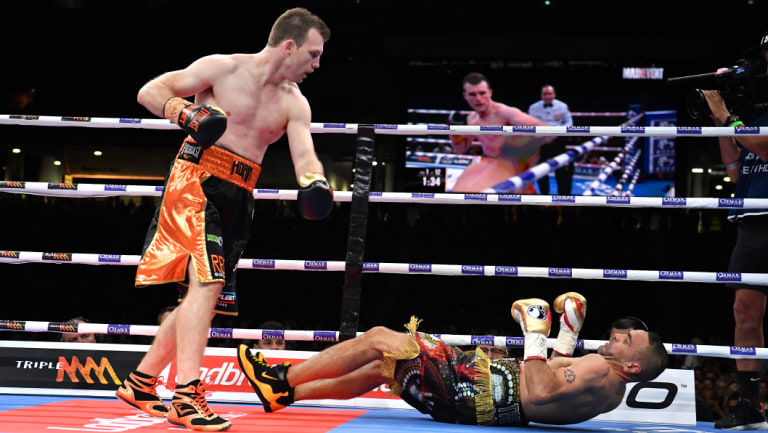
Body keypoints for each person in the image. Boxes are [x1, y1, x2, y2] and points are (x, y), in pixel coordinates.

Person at [114, 8, 333, 432]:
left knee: (204, 297)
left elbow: (304, 154)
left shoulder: (294, 102)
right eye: (313, 53)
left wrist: (315, 181)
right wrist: (186, 114)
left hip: (240, 196)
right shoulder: (223, 67)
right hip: (196, 181)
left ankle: (141, 383)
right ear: (289, 46)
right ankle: (187, 396)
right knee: (207, 282)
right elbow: (150, 90)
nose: (316, 64)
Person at [236, 292, 668, 426]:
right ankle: (286, 394)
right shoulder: (608, 390)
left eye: (629, 339)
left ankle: (281, 376)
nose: (618, 335)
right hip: (476, 401)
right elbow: (555, 387)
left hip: (475, 390)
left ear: (632, 366)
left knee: (381, 339)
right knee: (381, 367)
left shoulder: (599, 369)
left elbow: (540, 387)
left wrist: (535, 336)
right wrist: (566, 334)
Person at [701, 30, 768, 431]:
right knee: (744, 311)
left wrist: (728, 116)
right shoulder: (755, 115)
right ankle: (750, 404)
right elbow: (737, 167)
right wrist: (719, 122)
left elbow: (765, 149)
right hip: (754, 221)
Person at [450, 73, 553, 193]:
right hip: (490, 167)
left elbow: (547, 131)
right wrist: (454, 130)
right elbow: (460, 150)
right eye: (472, 94)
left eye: (482, 93)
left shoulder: (505, 113)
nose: (478, 99)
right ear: (465, 96)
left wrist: (526, 156)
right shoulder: (471, 119)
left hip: (511, 168)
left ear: (490, 93)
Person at [528, 85, 575, 195]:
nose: (547, 96)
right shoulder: (533, 108)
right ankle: (544, 197)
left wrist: (558, 131)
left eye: (549, 94)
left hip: (557, 141)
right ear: (541, 95)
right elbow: (528, 123)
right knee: (541, 170)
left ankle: (562, 198)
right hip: (541, 142)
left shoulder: (563, 106)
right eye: (545, 94)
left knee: (561, 169)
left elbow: (569, 123)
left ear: (554, 95)